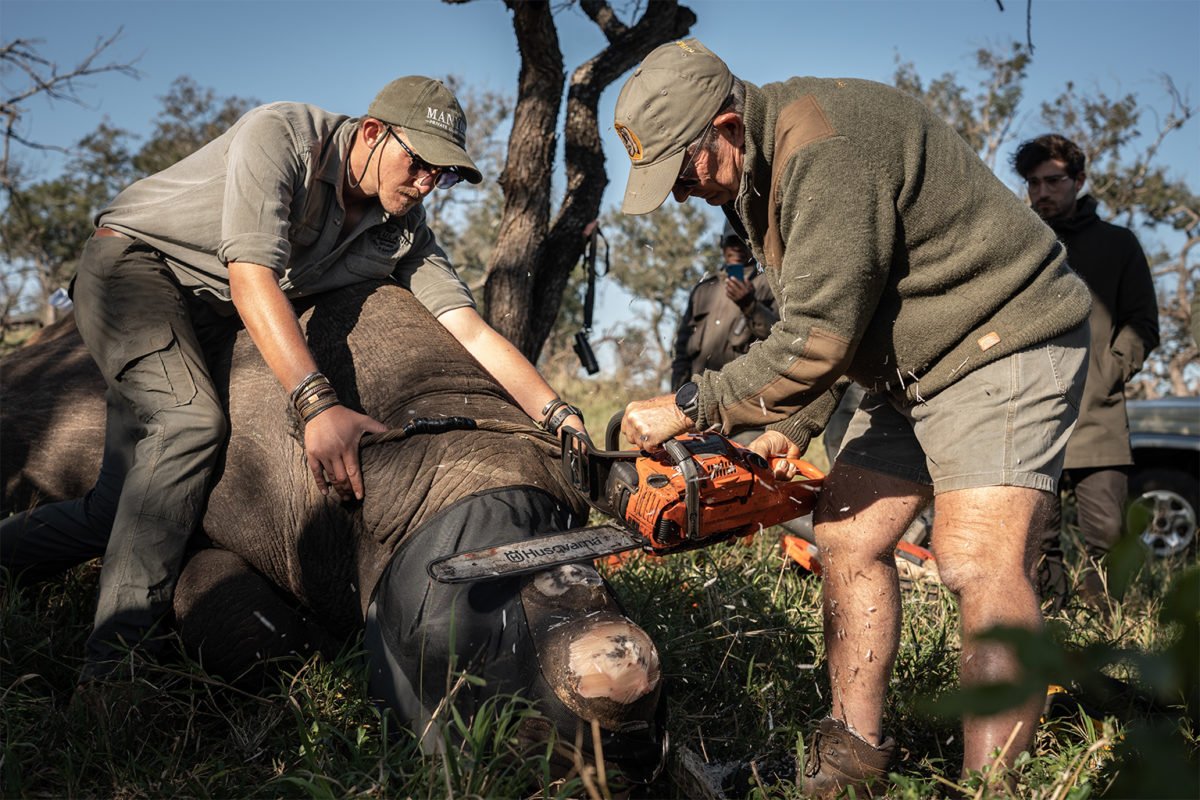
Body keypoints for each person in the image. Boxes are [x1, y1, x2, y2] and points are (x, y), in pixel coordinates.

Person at [612, 39, 1091, 795]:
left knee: (977, 562)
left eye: (681, 169)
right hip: (914, 366)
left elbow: (820, 335)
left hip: (1004, 337)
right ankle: (852, 757)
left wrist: (688, 405)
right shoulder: (760, 173)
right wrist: (792, 427)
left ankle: (994, 786)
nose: (677, 193)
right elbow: (834, 317)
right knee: (843, 535)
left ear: (728, 126)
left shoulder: (821, 149)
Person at [0, 76, 583, 684]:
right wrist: (316, 404)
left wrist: (555, 413)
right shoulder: (283, 135)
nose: (426, 183)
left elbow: (470, 329)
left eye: (445, 174)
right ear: (374, 132)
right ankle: (114, 667)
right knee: (190, 423)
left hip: (214, 314)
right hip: (136, 269)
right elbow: (253, 278)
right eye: (420, 163)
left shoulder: (403, 232)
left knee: (119, 507)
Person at [1013, 134, 1160, 613]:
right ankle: (1052, 628)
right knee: (1037, 538)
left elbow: (1143, 322)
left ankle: (1104, 627)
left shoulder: (1118, 244)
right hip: (1030, 415)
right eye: (1033, 182)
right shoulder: (1018, 245)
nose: (1042, 192)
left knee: (1108, 535)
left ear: (1078, 179)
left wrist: (1109, 374)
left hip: (1098, 415)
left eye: (1053, 180)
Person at [671, 231, 777, 396]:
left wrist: (750, 305)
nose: (736, 248)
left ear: (751, 244)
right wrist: (677, 390)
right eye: (731, 242)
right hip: (698, 396)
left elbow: (779, 337)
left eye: (742, 241)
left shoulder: (768, 285)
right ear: (722, 243)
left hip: (741, 395)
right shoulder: (703, 289)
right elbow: (682, 348)